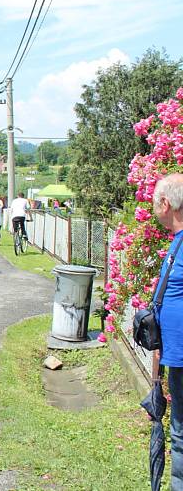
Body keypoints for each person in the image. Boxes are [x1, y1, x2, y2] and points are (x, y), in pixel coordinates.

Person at [152, 173, 183, 488]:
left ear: (166, 203)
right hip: (176, 356)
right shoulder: (178, 242)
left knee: (181, 434)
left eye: (154, 202)